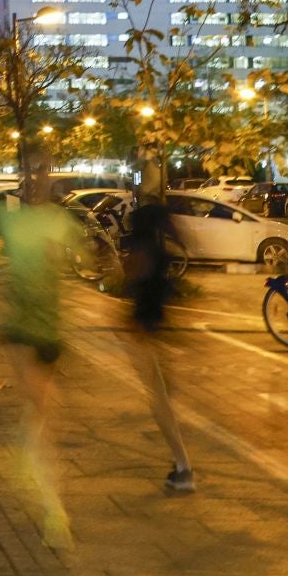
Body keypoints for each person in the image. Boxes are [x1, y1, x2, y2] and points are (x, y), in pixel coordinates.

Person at [0, 191, 77, 548]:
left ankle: (24, 460)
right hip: (29, 330)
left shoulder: (25, 225)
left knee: (39, 411)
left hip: (42, 331)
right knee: (40, 410)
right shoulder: (52, 225)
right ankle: (54, 510)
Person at [120, 198, 196, 494]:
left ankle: (183, 468)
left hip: (143, 331)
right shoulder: (159, 252)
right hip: (157, 328)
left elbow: (128, 281)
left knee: (160, 402)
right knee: (163, 396)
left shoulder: (141, 253)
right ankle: (180, 464)